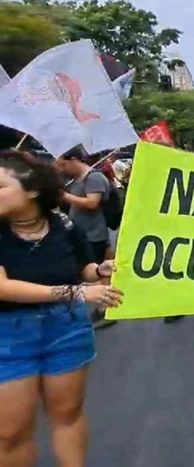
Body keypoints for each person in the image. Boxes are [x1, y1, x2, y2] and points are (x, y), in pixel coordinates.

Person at [0, 150, 124, 467]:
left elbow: (83, 267)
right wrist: (77, 293)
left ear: (32, 190)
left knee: (67, 415)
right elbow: (3, 287)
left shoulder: (63, 224)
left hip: (66, 330)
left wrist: (100, 271)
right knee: (11, 432)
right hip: (9, 336)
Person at [57, 148, 116, 330]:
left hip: (93, 234)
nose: (61, 168)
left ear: (74, 159)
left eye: (63, 164)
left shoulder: (94, 178)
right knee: (95, 273)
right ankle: (104, 306)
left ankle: (105, 308)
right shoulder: (75, 181)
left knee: (94, 272)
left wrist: (65, 196)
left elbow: (92, 203)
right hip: (81, 233)